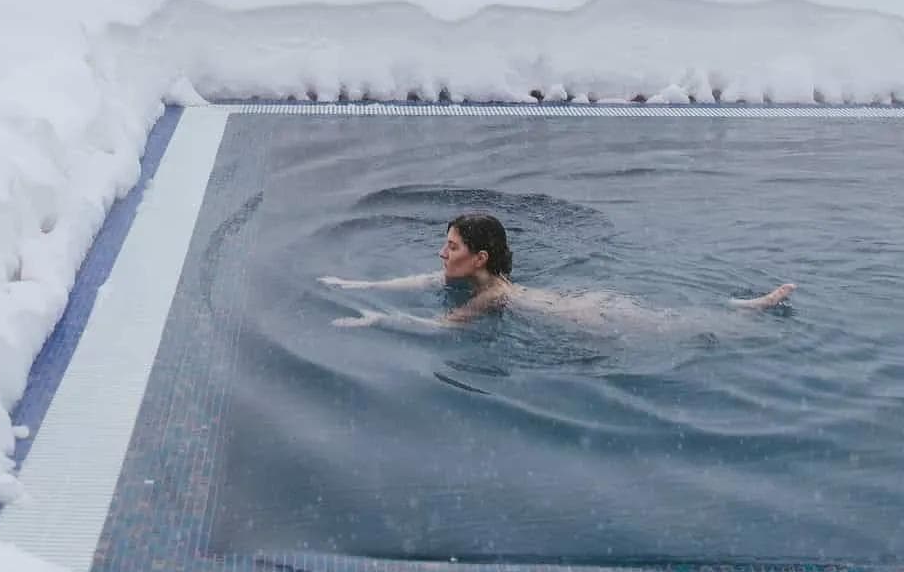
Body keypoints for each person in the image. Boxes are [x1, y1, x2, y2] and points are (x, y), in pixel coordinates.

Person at [319, 212, 796, 330]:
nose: (442, 254)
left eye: (452, 247)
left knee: (680, 326)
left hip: (594, 319)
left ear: (479, 259)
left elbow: (440, 327)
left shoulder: (493, 296)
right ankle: (740, 308)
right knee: (675, 318)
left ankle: (745, 312)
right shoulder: (480, 281)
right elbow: (418, 282)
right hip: (581, 304)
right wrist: (356, 285)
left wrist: (378, 320)